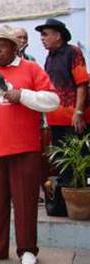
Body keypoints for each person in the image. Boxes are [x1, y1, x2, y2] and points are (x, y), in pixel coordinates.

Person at [0, 25, 59, 264]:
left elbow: (53, 100)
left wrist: (22, 95)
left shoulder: (30, 69)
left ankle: (27, 250)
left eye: (1, 44)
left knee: (24, 202)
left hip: (24, 149)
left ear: (14, 47)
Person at [35, 18, 90, 187]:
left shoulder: (73, 52)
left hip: (75, 119)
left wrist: (78, 112)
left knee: (82, 162)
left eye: (45, 34)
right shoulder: (49, 58)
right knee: (63, 162)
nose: (42, 38)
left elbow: (82, 84)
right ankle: (67, 199)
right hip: (56, 120)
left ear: (58, 35)